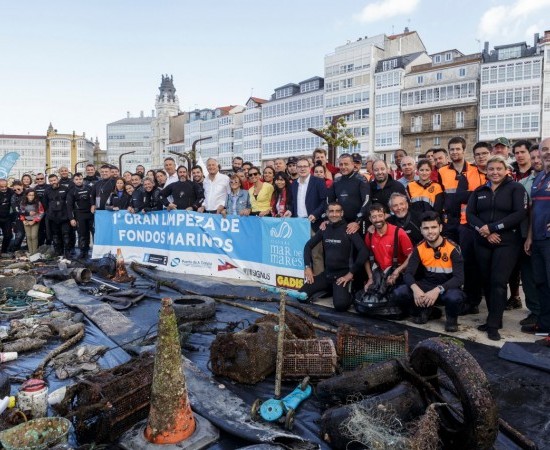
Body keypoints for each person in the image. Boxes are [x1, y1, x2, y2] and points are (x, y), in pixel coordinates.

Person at [467, 155, 528, 340]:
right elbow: (470, 214)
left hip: (507, 242)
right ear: (486, 171)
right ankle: (495, 317)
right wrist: (485, 232)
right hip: (483, 241)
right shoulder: (479, 190)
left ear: (506, 170)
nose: (495, 172)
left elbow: (520, 213)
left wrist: (494, 228)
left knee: (498, 282)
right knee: (487, 281)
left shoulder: (516, 188)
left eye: (498, 169)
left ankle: (494, 324)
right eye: (491, 169)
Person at [393, 212, 464, 331]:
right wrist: (416, 290)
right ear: (421, 230)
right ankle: (425, 311)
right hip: (427, 285)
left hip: (447, 288)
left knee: (454, 297)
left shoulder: (453, 248)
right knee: (400, 292)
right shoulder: (419, 248)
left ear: (440, 228)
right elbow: (408, 273)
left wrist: (438, 290)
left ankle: (451, 320)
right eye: (426, 228)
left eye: (433, 227)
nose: (430, 231)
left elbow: (459, 278)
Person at [439, 137, 485, 315]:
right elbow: (441, 196)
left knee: (469, 262)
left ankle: (472, 300)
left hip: (468, 223)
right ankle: (452, 296)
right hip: (450, 223)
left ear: (464, 151)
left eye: (458, 149)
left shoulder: (475, 171)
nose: (455, 152)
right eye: (452, 149)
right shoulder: (442, 171)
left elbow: (477, 197)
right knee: (450, 261)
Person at [301, 202, 369, 311]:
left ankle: (347, 292)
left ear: (342, 213)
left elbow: (364, 252)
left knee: (340, 306)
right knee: (301, 295)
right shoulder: (325, 228)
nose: (334, 214)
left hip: (342, 276)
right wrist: (307, 267)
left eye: (337, 211)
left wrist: (350, 273)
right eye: (331, 211)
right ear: (327, 213)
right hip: (327, 274)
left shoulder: (348, 229)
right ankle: (329, 289)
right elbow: (308, 246)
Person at [523, 137, 550, 336]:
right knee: (540, 282)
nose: (547, 152)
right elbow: (533, 211)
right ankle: (545, 324)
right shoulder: (539, 178)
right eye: (545, 149)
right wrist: (530, 237)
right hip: (538, 239)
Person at [517, 146, 543, 327]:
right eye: (533, 157)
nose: (536, 160)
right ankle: (535, 311)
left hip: (544, 237)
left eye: (538, 156)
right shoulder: (524, 183)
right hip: (526, 235)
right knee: (528, 277)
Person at [291, 157, 328, 274]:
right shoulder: (294, 185)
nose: (302, 169)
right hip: (298, 224)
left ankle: (319, 285)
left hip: (313, 223)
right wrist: (289, 211)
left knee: (316, 255)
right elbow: (293, 203)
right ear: (296, 169)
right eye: (299, 167)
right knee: (300, 253)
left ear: (310, 167)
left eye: (304, 166)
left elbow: (324, 202)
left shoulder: (318, 182)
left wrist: (315, 214)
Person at [364, 203, 414, 289]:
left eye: (380, 216)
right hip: (380, 273)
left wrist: (398, 270)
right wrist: (370, 277)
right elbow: (365, 257)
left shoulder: (398, 232)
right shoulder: (369, 235)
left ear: (385, 216)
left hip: (399, 272)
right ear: (370, 219)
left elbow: (411, 256)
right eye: (374, 217)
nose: (377, 219)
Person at [327, 153, 371, 233]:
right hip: (342, 222)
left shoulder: (361, 180)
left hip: (359, 222)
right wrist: (329, 218)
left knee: (359, 245)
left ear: (352, 164)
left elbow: (367, 201)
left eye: (346, 164)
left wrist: (357, 221)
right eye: (341, 164)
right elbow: (329, 201)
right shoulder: (336, 182)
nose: (343, 167)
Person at [43, 174, 72, 258]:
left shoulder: (65, 189)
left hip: (64, 216)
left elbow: (70, 202)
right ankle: (57, 252)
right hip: (53, 217)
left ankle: (67, 251)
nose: (53, 182)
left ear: (58, 179)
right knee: (55, 235)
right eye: (51, 181)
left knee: (66, 234)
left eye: (54, 180)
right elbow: (45, 204)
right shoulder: (47, 191)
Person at [66, 173, 94, 259]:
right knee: (82, 234)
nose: (79, 181)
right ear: (73, 180)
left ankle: (95, 251)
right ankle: (83, 251)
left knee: (94, 233)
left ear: (83, 180)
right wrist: (71, 218)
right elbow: (69, 206)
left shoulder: (89, 188)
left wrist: (93, 205)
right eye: (77, 179)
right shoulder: (71, 191)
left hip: (91, 214)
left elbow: (94, 199)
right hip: (79, 215)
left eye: (80, 179)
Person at [19, 189, 44, 254]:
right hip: (26, 221)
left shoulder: (37, 202)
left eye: (33, 195)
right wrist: (23, 220)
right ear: (26, 195)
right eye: (29, 195)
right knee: (28, 236)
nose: (31, 196)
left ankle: (34, 252)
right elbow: (21, 212)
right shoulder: (23, 202)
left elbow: (41, 212)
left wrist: (34, 221)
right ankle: (30, 252)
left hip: (35, 221)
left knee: (34, 236)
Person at [9, 181, 26, 251]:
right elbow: (15, 208)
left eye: (18, 189)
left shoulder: (28, 193)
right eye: (15, 190)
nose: (17, 191)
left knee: (31, 236)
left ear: (22, 186)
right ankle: (15, 249)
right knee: (19, 235)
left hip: (31, 217)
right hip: (19, 218)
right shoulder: (13, 196)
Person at [0, 179, 13, 256]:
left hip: (7, 217)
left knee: (8, 235)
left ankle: (3, 251)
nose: (4, 188)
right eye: (1, 187)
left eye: (5, 186)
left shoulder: (10, 192)